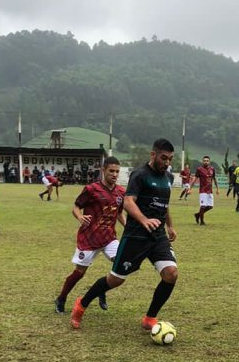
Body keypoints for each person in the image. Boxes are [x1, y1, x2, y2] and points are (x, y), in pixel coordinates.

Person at [71, 138, 178, 331]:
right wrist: (144, 220)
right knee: (115, 280)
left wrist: (170, 226)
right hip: (136, 236)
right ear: (153, 155)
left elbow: (165, 204)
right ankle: (82, 303)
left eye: (170, 159)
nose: (167, 162)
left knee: (171, 274)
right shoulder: (140, 174)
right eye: (164, 158)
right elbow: (128, 202)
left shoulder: (168, 178)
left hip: (158, 236)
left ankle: (150, 317)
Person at [54, 156, 126, 314]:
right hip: (89, 238)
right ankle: (61, 298)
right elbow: (76, 207)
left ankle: (101, 288)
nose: (114, 174)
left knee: (121, 264)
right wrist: (80, 216)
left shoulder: (121, 192)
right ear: (103, 170)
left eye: (117, 171)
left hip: (109, 237)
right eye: (111, 171)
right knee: (79, 272)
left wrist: (126, 226)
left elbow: (120, 213)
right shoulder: (91, 189)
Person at [191, 155, 218, 225]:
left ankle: (197, 215)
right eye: (204, 161)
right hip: (203, 191)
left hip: (210, 191)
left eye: (207, 161)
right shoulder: (199, 169)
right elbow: (195, 179)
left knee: (210, 206)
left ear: (209, 162)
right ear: (202, 161)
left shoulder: (212, 169)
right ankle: (202, 221)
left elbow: (214, 179)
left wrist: (217, 188)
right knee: (203, 206)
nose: (206, 162)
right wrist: (190, 188)